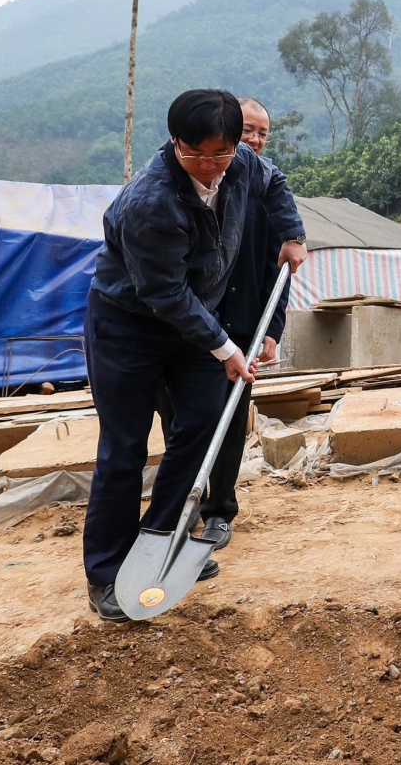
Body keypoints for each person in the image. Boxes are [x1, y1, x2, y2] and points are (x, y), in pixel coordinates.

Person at [82, 89, 307, 623]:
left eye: (220, 155)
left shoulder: (243, 162)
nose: (208, 167)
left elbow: (274, 183)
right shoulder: (149, 202)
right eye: (194, 154)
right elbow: (165, 295)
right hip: (129, 326)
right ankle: (107, 572)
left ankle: (161, 540)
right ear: (175, 141)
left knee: (204, 420)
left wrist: (292, 233)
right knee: (124, 449)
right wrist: (227, 347)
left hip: (193, 324)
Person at [158, 97, 293, 553]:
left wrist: (272, 328)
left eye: (262, 134)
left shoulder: (263, 191)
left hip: (240, 326)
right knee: (177, 418)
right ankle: (183, 505)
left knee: (232, 417)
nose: (254, 141)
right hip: (186, 328)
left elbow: (281, 268)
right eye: (247, 131)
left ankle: (220, 509)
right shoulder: (193, 185)